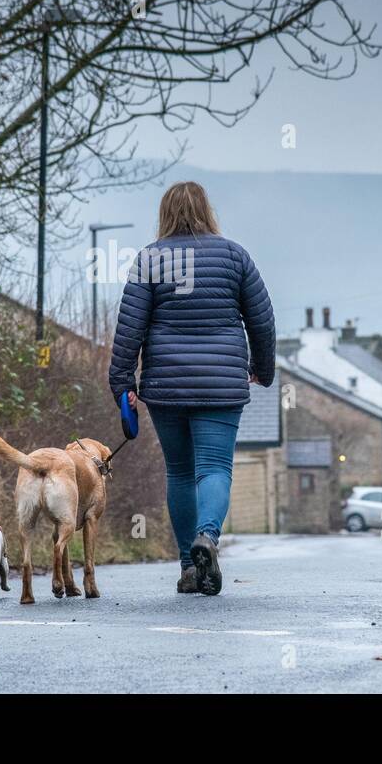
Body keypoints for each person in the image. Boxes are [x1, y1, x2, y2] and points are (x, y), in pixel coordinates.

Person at [108, 181, 275, 595]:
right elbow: (262, 320)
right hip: (221, 384)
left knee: (180, 472)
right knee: (214, 469)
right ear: (207, 209)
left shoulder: (151, 259)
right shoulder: (235, 256)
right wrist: (262, 369)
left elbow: (129, 329)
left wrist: (122, 382)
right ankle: (208, 537)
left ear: (164, 214)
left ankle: (189, 567)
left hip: (166, 386)